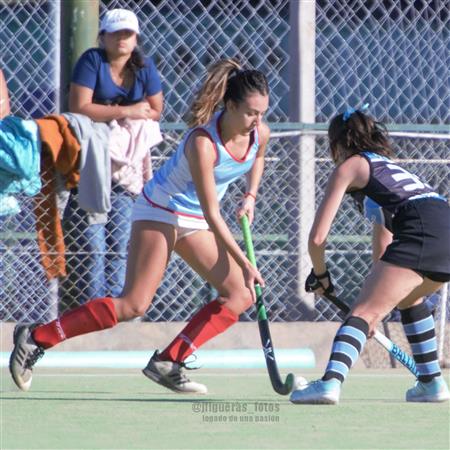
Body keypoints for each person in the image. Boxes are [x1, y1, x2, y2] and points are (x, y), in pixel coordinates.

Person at [9, 58, 270, 394]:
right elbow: (212, 212)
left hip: (194, 219)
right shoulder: (202, 143)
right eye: (250, 112)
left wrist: (250, 194)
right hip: (160, 210)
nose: (257, 120)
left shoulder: (259, 133)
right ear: (230, 105)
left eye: (262, 113)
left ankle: (169, 361)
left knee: (240, 295)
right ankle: (36, 338)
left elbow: (257, 158)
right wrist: (246, 262)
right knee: (133, 304)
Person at [290, 106, 450, 404]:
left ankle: (329, 384)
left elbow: (317, 238)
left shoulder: (350, 166)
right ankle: (431, 383)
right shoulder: (389, 170)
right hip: (444, 226)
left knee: (361, 313)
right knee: (408, 298)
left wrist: (321, 274)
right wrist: (379, 303)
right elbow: (385, 240)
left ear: (338, 144)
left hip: (423, 228)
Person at [62, 8, 164, 304]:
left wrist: (125, 119)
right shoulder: (92, 61)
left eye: (128, 34)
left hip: (123, 168)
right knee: (93, 245)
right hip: (91, 165)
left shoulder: (143, 66)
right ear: (103, 36)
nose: (122, 39)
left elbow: (156, 109)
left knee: (120, 242)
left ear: (136, 38)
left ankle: (116, 307)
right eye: (116, 33)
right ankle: (93, 305)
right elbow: (80, 106)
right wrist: (127, 111)